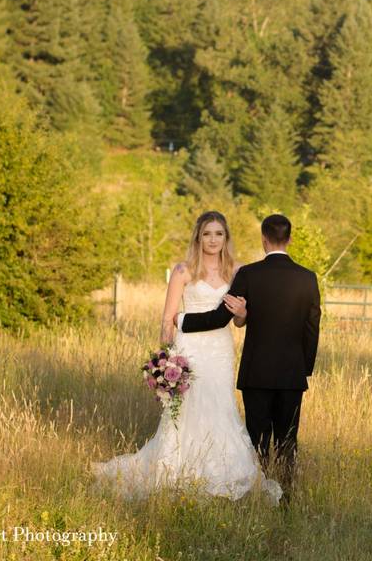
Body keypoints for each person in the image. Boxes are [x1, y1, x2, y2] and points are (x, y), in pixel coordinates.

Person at [92, 211, 281, 503]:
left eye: (219, 234)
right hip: (189, 349)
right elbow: (167, 320)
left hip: (219, 350)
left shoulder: (237, 271)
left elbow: (240, 321)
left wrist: (243, 313)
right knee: (187, 407)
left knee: (220, 404)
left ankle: (223, 468)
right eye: (207, 234)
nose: (213, 240)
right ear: (198, 237)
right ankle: (176, 467)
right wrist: (166, 361)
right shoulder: (183, 271)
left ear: (226, 237)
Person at [176, 213, 321, 505]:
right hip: (292, 374)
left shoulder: (249, 274)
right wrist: (303, 368)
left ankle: (257, 490)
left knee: (256, 438)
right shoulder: (308, 278)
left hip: (256, 372)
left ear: (263, 239)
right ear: (290, 239)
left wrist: (180, 322)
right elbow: (312, 326)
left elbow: (222, 317)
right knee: (288, 438)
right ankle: (287, 495)